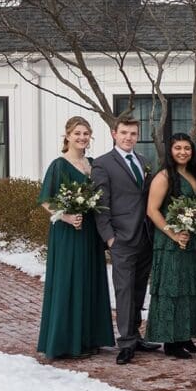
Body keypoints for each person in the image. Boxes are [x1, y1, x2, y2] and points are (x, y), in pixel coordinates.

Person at [36, 116, 115, 360]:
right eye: (77, 133)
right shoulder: (59, 165)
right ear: (67, 136)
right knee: (69, 281)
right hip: (68, 231)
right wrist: (67, 216)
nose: (82, 138)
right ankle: (65, 341)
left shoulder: (93, 164)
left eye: (86, 134)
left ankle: (89, 338)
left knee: (90, 280)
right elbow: (46, 200)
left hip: (90, 231)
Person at [92, 116, 160, 365]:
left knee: (139, 288)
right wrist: (110, 238)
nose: (129, 137)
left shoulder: (144, 162)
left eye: (133, 133)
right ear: (114, 133)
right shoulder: (102, 164)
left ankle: (136, 334)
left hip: (145, 235)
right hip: (121, 237)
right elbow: (100, 204)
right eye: (124, 133)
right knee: (124, 290)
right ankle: (126, 342)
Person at [144, 133, 196, 359]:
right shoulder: (163, 176)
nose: (183, 152)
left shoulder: (192, 174)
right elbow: (152, 210)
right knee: (172, 288)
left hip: (188, 240)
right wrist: (173, 235)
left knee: (188, 288)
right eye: (178, 148)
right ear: (170, 151)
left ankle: (185, 336)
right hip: (170, 242)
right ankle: (170, 342)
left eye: (187, 148)